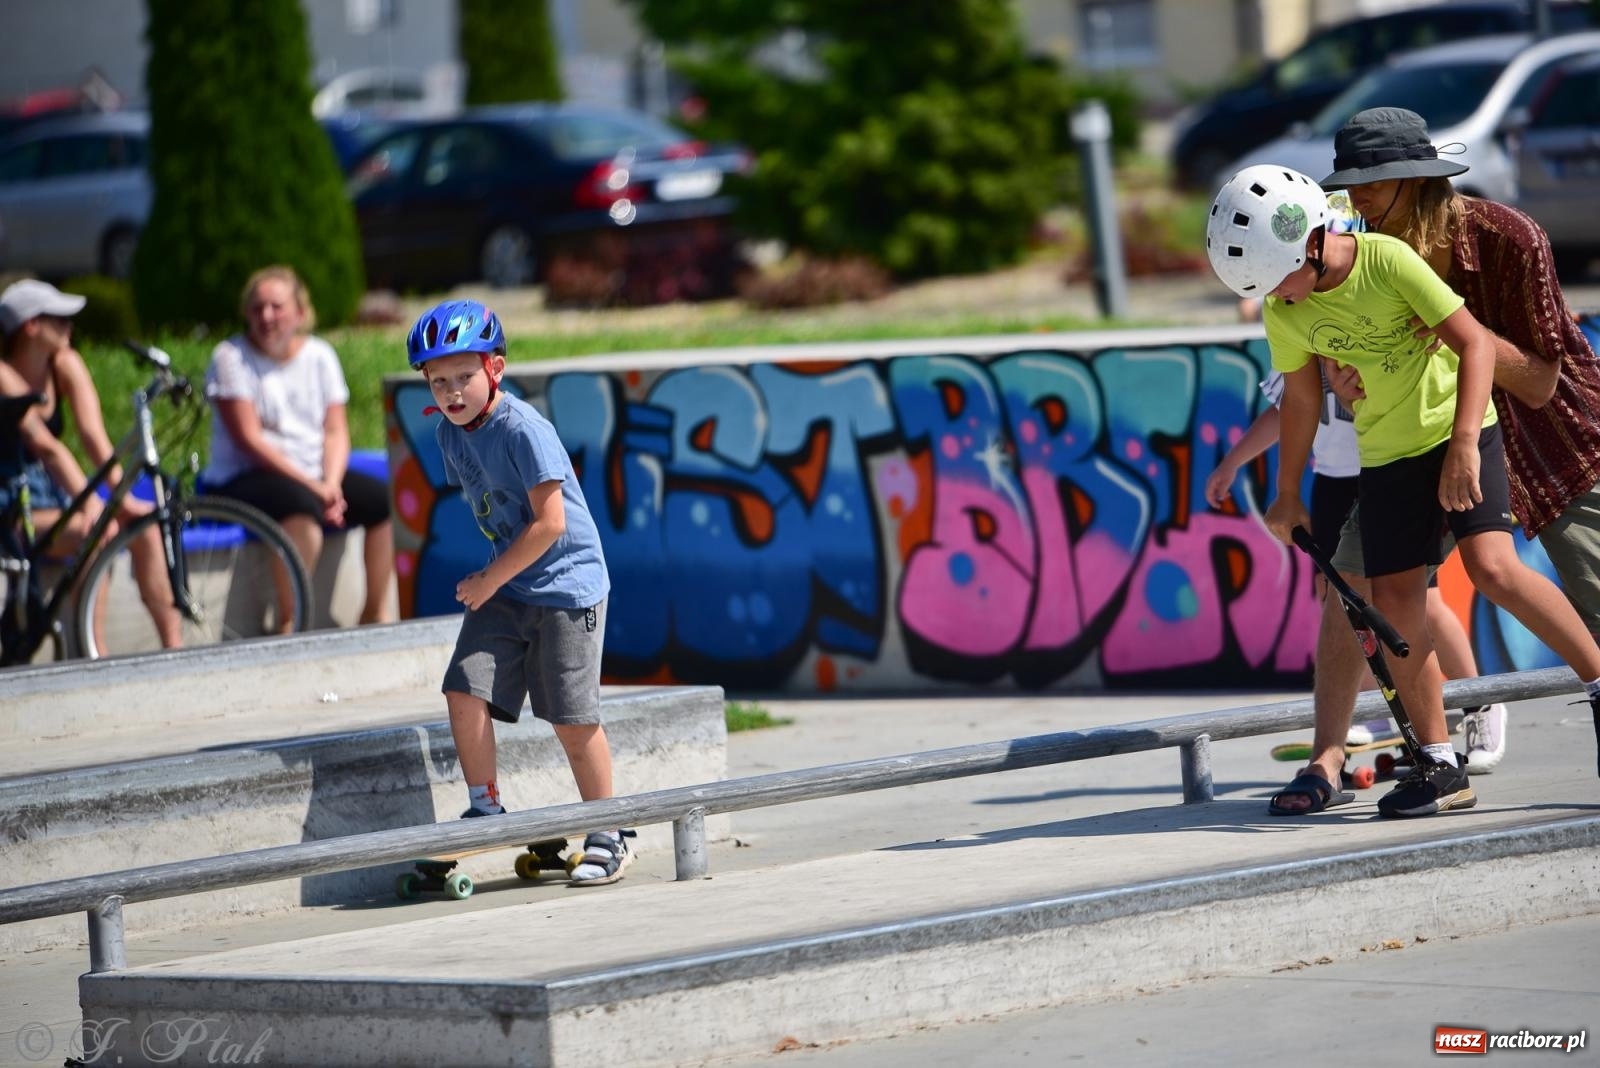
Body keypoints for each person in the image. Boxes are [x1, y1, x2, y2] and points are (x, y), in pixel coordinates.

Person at [1206, 163, 1600, 818]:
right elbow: (1299, 401)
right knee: (1394, 603)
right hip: (1386, 453)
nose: (1278, 296)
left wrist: (1466, 443)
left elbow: (1475, 346)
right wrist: (1287, 491)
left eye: (1280, 279)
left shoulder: (1386, 261)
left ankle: (1598, 680)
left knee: (1494, 569)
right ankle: (1441, 763)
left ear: (1312, 241)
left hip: (1460, 430)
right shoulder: (1285, 310)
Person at [1316, 106, 1600, 776]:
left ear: (1416, 180)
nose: (1358, 201)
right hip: (1429, 441)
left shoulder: (1510, 238)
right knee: (1351, 583)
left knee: (1576, 596)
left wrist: (1453, 328)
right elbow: (1337, 351)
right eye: (1349, 187)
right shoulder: (1362, 246)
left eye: (1371, 185)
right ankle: (1325, 760)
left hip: (1554, 443)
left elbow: (1540, 383)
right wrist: (1343, 381)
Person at [406, 298, 632, 885]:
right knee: (464, 689)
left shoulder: (524, 430)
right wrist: (497, 578)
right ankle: (485, 809)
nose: (452, 392)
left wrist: (490, 578)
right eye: (439, 381)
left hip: (567, 587)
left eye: (464, 376)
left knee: (572, 719)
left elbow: (551, 523)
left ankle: (608, 830)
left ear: (495, 370)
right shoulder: (449, 434)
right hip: (511, 582)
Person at [1204, 368, 1504, 787]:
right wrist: (1233, 461)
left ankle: (1480, 704)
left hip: (1386, 466)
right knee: (1339, 600)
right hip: (1332, 480)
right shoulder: (1295, 340)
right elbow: (1285, 407)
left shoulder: (1361, 329)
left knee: (1422, 601)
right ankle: (1373, 707)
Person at [203, 266, 394, 626]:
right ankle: (289, 620)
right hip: (243, 475)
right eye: (257, 308)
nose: (266, 316)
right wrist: (315, 488)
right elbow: (249, 440)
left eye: (276, 307)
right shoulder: (230, 357)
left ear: (300, 313)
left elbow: (335, 431)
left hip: (311, 473)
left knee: (383, 501)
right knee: (302, 507)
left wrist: (331, 484)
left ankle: (373, 612)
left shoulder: (320, 355)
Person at [0, 279, 182, 649]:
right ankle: (91, 652)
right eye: (58, 319)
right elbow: (47, 447)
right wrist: (91, 504)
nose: (69, 326)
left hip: (52, 494)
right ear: (30, 326)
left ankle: (175, 647)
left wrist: (121, 499)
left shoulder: (64, 363)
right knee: (95, 534)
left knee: (144, 529)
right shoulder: (3, 375)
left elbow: (94, 439)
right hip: (13, 506)